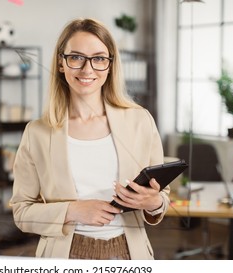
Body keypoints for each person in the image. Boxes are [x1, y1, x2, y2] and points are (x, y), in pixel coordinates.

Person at [10, 18, 169, 260]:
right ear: (61, 63)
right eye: (76, 57)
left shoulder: (140, 121)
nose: (87, 69)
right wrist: (72, 211)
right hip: (64, 256)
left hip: (130, 255)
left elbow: (161, 199)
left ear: (110, 65)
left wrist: (154, 201)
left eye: (99, 58)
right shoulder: (37, 132)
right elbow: (21, 212)